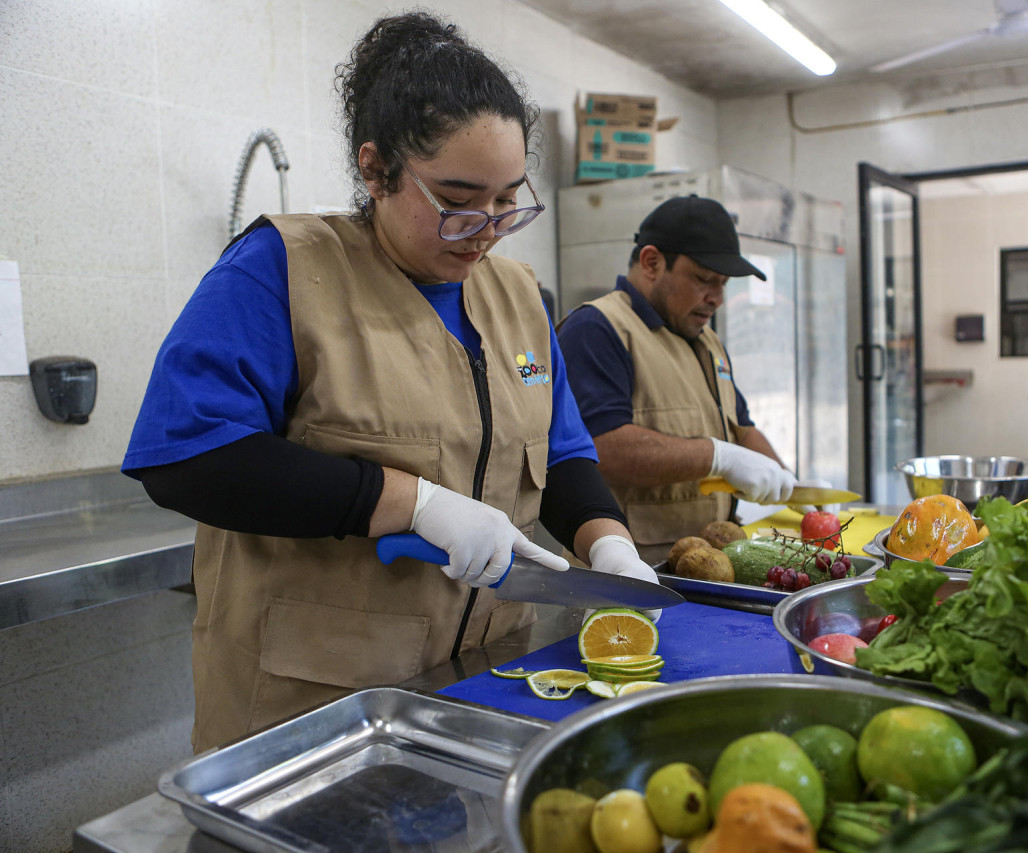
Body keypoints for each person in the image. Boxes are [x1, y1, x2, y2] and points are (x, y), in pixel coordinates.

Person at [122, 12, 659, 753]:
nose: (487, 227)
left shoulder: (520, 300)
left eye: (508, 199)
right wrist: (413, 503)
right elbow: (186, 457)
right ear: (376, 170)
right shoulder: (283, 270)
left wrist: (609, 548)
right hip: (315, 704)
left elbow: (562, 455)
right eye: (458, 198)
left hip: (483, 681)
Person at [557, 195, 806, 563]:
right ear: (652, 262)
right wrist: (717, 457)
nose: (717, 298)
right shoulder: (597, 329)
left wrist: (796, 489)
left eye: (723, 284)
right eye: (705, 279)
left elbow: (741, 427)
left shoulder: (706, 340)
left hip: (708, 566)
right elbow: (599, 448)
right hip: (635, 572)